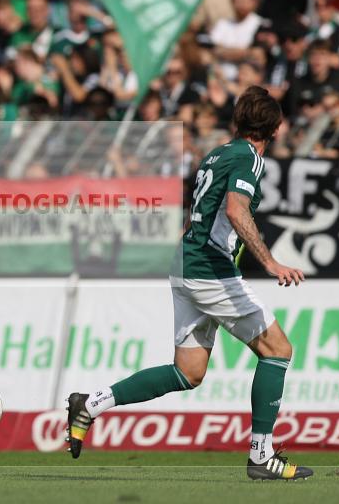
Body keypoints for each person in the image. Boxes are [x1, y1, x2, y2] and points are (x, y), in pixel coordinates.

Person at [65, 86, 314, 481]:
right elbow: (235, 209)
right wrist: (268, 261)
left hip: (185, 265)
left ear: (237, 121)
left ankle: (89, 404)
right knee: (277, 349)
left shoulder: (215, 154)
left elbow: (200, 212)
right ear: (277, 129)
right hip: (209, 271)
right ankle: (261, 455)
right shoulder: (249, 158)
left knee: (188, 373)